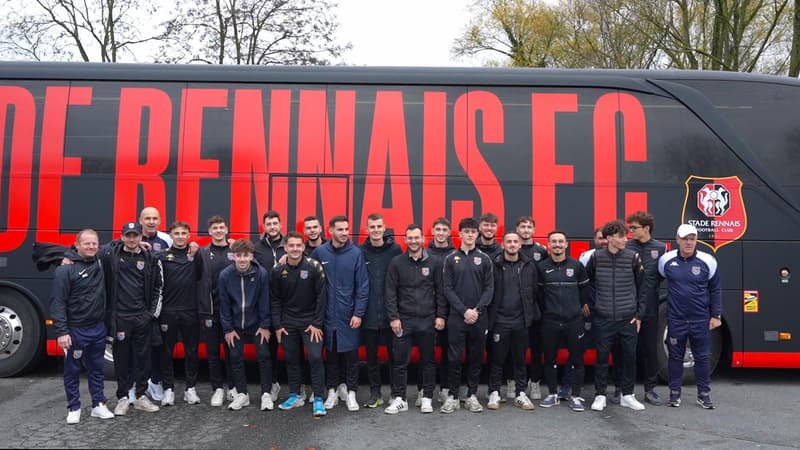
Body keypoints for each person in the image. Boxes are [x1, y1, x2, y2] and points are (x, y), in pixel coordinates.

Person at [49, 229, 114, 424]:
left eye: (94, 243)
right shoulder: (65, 270)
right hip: (76, 331)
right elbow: (57, 302)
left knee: (97, 369)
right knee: (72, 370)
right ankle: (74, 407)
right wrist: (62, 332)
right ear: (77, 245)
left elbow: (119, 244)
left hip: (97, 328)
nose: (91, 247)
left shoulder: (101, 262)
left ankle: (98, 405)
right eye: (87, 243)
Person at [100, 222, 163, 416]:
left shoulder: (150, 258)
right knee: (121, 359)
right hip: (120, 318)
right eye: (128, 235)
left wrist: (150, 314)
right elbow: (89, 247)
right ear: (122, 237)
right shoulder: (112, 255)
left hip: (142, 317)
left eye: (135, 235)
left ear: (141, 236)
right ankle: (123, 398)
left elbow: (158, 289)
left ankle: (141, 395)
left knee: (143, 358)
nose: (132, 239)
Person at [383, 224, 446, 414]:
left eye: (416, 237)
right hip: (404, 321)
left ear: (423, 239)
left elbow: (441, 292)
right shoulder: (397, 262)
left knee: (428, 361)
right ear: (405, 239)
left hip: (427, 320)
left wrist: (441, 315)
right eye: (409, 238)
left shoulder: (434, 262)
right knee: (400, 362)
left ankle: (427, 397)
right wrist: (394, 317)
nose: (413, 241)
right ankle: (400, 399)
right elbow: (390, 291)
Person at [658, 224, 722, 409]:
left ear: (696, 241)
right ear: (677, 239)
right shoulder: (667, 260)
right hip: (676, 320)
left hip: (700, 319)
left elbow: (715, 289)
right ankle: (674, 394)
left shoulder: (707, 260)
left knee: (702, 357)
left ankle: (703, 395)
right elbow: (657, 278)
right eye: (685, 238)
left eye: (692, 239)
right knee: (675, 357)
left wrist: (715, 315)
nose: (688, 242)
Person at [311, 215, 369, 412]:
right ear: (330, 231)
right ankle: (332, 392)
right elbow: (311, 282)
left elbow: (362, 286)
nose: (345, 233)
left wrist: (358, 313)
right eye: (340, 229)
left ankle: (351, 393)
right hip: (327, 315)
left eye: (347, 229)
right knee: (332, 356)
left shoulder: (356, 253)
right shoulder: (320, 253)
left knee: (352, 358)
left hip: (348, 315)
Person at [586, 220, 646, 412]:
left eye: (625, 236)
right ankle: (600, 395)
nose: (625, 240)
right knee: (602, 359)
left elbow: (642, 288)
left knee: (630, 357)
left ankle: (627, 395)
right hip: (603, 318)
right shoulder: (596, 257)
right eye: (621, 236)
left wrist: (638, 315)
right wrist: (594, 307)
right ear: (610, 238)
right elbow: (588, 284)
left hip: (627, 318)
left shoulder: (633, 257)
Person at [440, 218, 494, 414]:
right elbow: (447, 289)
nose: (470, 235)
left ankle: (472, 396)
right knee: (454, 358)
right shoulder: (450, 258)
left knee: (476, 358)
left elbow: (489, 289)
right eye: (466, 231)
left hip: (479, 318)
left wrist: (476, 311)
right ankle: (452, 396)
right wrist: (464, 311)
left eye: (473, 232)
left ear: (477, 234)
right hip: (457, 317)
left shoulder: (485, 259)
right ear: (460, 234)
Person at [271, 231, 328, 417]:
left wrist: (317, 323)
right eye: (291, 246)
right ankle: (295, 394)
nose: (295, 249)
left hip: (310, 322)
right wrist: (278, 325)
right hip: (288, 323)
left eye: (298, 245)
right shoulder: (277, 271)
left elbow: (322, 297)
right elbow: (275, 300)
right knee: (292, 359)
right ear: (285, 248)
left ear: (303, 247)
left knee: (315, 357)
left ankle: (318, 397)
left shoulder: (314, 267)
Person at [537, 230, 591, 412]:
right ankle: (552, 394)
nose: (557, 245)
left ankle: (576, 396)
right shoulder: (542, 267)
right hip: (550, 321)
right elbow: (538, 295)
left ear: (566, 244)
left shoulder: (576, 266)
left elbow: (585, 290)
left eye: (561, 241)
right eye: (554, 242)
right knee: (550, 359)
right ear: (549, 245)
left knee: (577, 360)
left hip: (573, 321)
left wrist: (581, 305)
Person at [219, 239, 274, 411]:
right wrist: (228, 328)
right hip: (235, 325)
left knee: (264, 356)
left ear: (251, 256)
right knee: (235, 358)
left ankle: (266, 393)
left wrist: (265, 325)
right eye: (238, 255)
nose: (242, 259)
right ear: (233, 256)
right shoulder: (225, 275)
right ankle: (242, 394)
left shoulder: (261, 274)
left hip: (257, 324)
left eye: (245, 255)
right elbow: (224, 304)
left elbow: (265, 301)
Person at [486, 232, 538, 411]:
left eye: (516, 241)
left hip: (521, 321)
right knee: (497, 359)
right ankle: (494, 392)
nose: (513, 244)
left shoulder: (529, 265)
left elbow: (535, 291)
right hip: (499, 320)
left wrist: (530, 314)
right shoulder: (494, 264)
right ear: (503, 244)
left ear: (520, 245)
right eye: (509, 241)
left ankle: (520, 393)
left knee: (520, 360)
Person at [155, 221, 203, 407]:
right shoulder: (161, 256)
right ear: (171, 235)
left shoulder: (196, 255)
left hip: (190, 311)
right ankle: (168, 389)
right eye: (177, 233)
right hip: (168, 312)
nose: (181, 236)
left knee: (192, 351)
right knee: (166, 352)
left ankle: (190, 389)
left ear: (189, 235)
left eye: (184, 233)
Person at [360, 213, 403, 408]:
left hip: (390, 315)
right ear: (367, 229)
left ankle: (395, 394)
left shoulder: (395, 250)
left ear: (384, 228)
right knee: (371, 359)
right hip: (369, 315)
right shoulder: (361, 252)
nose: (376, 230)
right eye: (372, 227)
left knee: (394, 357)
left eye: (379, 226)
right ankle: (375, 394)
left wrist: (396, 313)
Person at [626, 211, 667, 405]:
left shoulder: (660, 248)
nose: (630, 231)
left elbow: (662, 275)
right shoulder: (627, 246)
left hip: (650, 307)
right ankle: (624, 389)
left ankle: (650, 389)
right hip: (628, 306)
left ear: (646, 229)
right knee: (626, 350)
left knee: (650, 350)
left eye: (634, 228)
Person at [196, 215, 234, 407]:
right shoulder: (202, 253)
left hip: (231, 312)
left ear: (227, 229)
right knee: (212, 353)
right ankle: (217, 389)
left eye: (221, 227)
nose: (218, 231)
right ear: (209, 232)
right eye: (215, 228)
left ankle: (233, 388)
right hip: (209, 311)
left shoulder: (235, 250)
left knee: (232, 353)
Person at [138, 206, 172, 402]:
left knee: (158, 344)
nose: (151, 221)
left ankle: (155, 380)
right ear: (140, 220)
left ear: (159, 221)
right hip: (136, 302)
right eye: (147, 218)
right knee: (139, 346)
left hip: (159, 301)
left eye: (155, 218)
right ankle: (138, 383)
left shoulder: (165, 239)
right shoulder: (131, 238)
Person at [253, 210, 286, 400]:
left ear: (280, 225)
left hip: (286, 305)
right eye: (268, 224)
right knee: (269, 348)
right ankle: (273, 384)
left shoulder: (289, 246)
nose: (272, 227)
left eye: (275, 223)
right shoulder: (257, 248)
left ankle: (300, 387)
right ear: (263, 227)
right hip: (265, 305)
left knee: (291, 348)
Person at [515, 215, 547, 401]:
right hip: (515, 307)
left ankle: (534, 382)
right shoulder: (511, 248)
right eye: (522, 226)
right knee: (516, 347)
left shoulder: (541, 251)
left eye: (529, 227)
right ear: (517, 229)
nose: (526, 230)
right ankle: (513, 380)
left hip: (535, 307)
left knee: (536, 346)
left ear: (534, 230)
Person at [427, 217, 454, 401]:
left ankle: (446, 388)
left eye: (444, 229)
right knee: (427, 352)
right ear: (433, 231)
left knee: (447, 351)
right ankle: (424, 390)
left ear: (449, 232)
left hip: (450, 311)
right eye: (438, 229)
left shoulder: (455, 254)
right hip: (428, 309)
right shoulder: (425, 253)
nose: (441, 233)